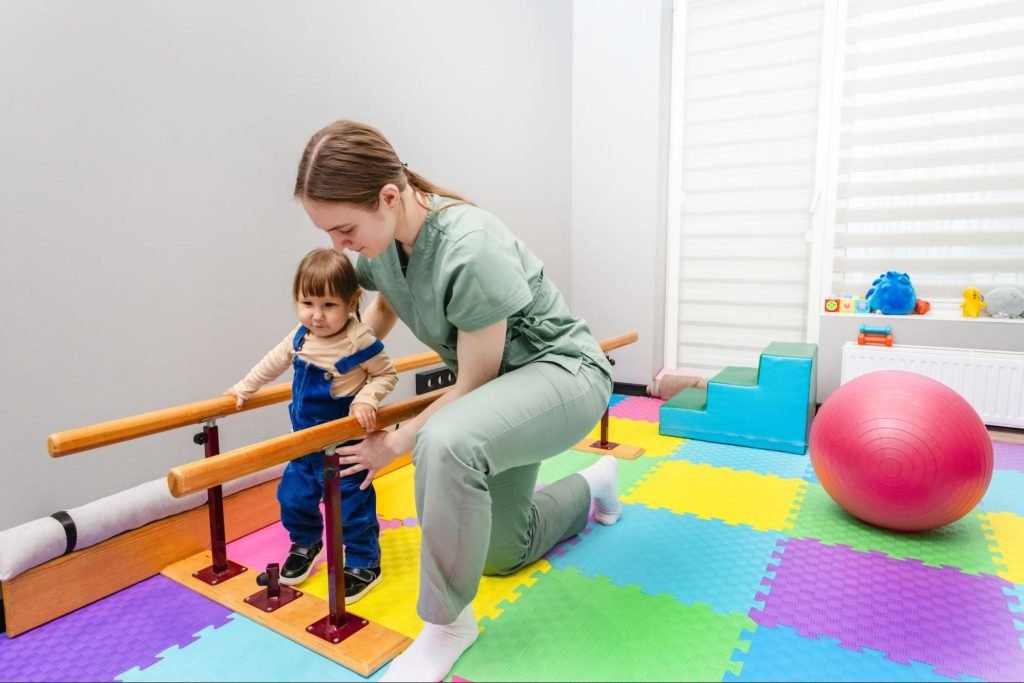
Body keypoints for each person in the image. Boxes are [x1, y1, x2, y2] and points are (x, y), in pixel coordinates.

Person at [293, 120, 623, 682]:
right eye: (328, 233)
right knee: (498, 554)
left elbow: (472, 385)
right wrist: (346, 360)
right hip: (502, 392)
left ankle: (447, 626)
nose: (338, 246)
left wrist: (395, 443)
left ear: (388, 197)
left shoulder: (470, 248)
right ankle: (592, 485)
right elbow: (383, 308)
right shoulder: (385, 241)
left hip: (563, 374)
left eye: (344, 229)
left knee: (445, 442)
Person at [225, 247, 398, 602]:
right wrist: (244, 389)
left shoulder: (358, 339)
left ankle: (365, 561)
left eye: (329, 305)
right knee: (292, 498)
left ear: (352, 302)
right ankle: (306, 544)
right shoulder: (300, 338)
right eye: (308, 303)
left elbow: (385, 374)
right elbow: (270, 364)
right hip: (304, 444)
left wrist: (366, 398)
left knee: (352, 507)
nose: (317, 316)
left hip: (345, 448)